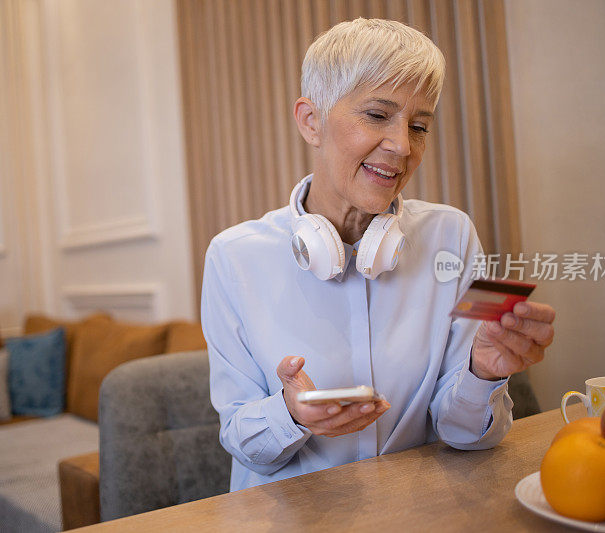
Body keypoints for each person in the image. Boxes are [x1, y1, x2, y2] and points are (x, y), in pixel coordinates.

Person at [201, 18, 555, 492]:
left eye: (419, 126)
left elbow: (468, 437)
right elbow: (242, 442)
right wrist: (290, 416)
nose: (402, 146)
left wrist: (482, 373)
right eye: (376, 115)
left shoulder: (454, 234)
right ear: (311, 121)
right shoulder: (233, 257)